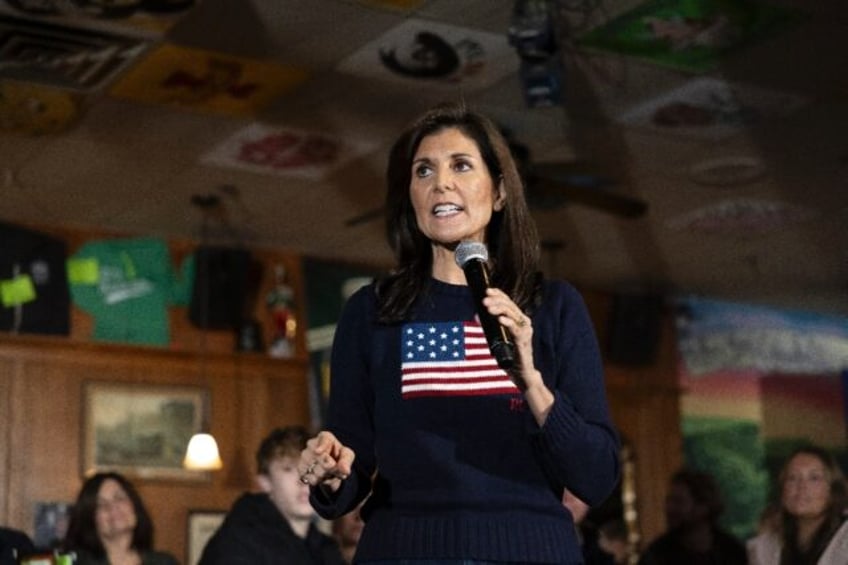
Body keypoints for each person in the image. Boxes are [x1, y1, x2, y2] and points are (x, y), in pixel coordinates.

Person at [297, 102, 621, 563]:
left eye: (461, 165)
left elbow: (596, 476)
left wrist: (531, 382)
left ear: (500, 192)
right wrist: (332, 472)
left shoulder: (554, 308)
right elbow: (350, 462)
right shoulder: (373, 311)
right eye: (423, 170)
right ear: (410, 194)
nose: (440, 182)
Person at [199, 426, 345, 565]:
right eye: (288, 469)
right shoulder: (236, 543)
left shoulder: (327, 550)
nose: (303, 479)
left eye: (311, 468)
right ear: (265, 482)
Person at [747, 445, 848, 565]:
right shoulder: (765, 547)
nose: (801, 487)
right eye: (792, 478)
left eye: (814, 478)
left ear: (833, 489)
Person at [62, 471, 178, 565]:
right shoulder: (73, 562)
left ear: (135, 506)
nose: (113, 508)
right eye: (101, 504)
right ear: (89, 518)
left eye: (119, 498)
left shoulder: (165, 562)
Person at [637, 468, 747, 565]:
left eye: (678, 501)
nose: (669, 508)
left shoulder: (732, 553)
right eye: (669, 500)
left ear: (703, 507)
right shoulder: (657, 555)